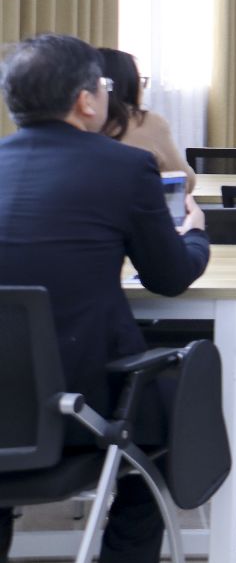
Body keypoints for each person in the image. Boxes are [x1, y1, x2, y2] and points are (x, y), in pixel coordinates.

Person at [0, 34, 209, 563]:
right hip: (81, 409)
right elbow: (169, 277)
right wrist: (194, 234)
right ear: (86, 100)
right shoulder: (123, 167)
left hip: (8, 410)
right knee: (169, 407)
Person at [98, 47, 196, 192]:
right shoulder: (147, 123)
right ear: (130, 84)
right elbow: (184, 182)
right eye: (140, 80)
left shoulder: (77, 121)